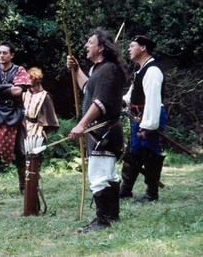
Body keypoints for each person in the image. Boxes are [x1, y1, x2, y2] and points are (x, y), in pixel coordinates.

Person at [67, 29, 126, 232]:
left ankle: (103, 220)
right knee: (109, 175)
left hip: (103, 132)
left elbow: (99, 103)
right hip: (103, 132)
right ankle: (112, 216)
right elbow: (87, 89)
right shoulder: (98, 70)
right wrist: (76, 70)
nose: (86, 45)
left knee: (100, 175)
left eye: (90, 42)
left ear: (100, 47)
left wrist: (82, 124)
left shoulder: (108, 70)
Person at [120, 35, 167, 203]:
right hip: (138, 117)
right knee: (133, 153)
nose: (129, 49)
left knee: (150, 153)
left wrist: (147, 127)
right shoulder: (142, 69)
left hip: (149, 117)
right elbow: (132, 94)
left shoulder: (153, 70)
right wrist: (123, 101)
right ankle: (125, 190)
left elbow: (153, 101)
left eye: (132, 46)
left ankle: (152, 193)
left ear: (143, 48)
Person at [0, 41, 31, 197]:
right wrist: (8, 86)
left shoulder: (20, 70)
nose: (1, 56)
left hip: (15, 114)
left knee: (21, 151)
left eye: (5, 53)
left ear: (12, 55)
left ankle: (24, 185)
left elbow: (18, 91)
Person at [24, 67, 59, 139]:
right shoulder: (25, 93)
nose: (28, 80)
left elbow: (50, 115)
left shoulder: (44, 96)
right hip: (23, 127)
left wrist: (42, 128)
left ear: (36, 79)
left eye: (31, 78)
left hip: (37, 129)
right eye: (28, 78)